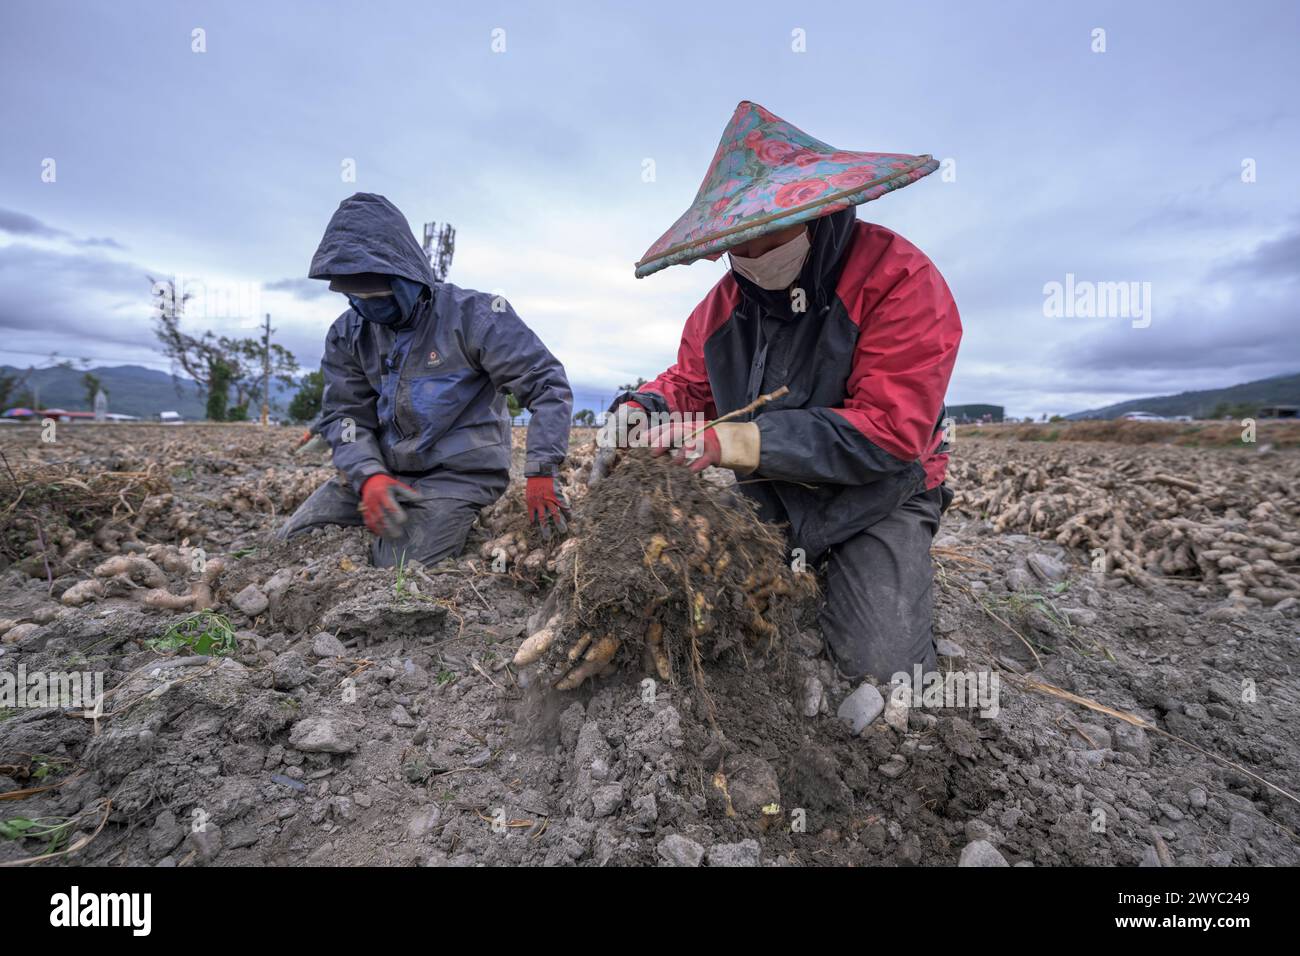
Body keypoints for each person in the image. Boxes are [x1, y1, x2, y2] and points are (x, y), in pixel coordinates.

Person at [595, 102, 961, 682]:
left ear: (816, 212)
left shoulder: (900, 281)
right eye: (742, 241)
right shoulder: (721, 308)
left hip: (879, 495)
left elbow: (890, 434)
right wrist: (641, 408)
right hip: (773, 492)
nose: (755, 255)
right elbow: (690, 381)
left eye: (772, 233)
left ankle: (884, 569)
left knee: (883, 667)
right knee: (692, 596)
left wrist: (728, 441)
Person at [279, 192, 572, 566]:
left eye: (377, 291)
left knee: (399, 571)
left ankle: (458, 520)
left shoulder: (477, 317)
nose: (367, 303)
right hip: (384, 474)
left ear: (407, 276)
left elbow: (548, 385)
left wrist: (541, 471)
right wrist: (368, 476)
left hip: (458, 475)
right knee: (291, 543)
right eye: (355, 294)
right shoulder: (347, 333)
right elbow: (345, 417)